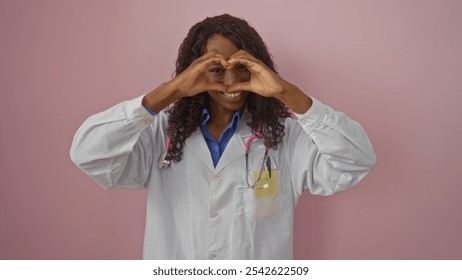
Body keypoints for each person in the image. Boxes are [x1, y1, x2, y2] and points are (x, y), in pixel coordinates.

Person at [70, 14, 376, 260]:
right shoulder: (160, 135)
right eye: (215, 70)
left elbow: (356, 161)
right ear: (194, 73)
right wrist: (172, 90)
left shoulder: (285, 139)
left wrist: (285, 91)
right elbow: (88, 152)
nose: (231, 81)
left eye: (241, 68)